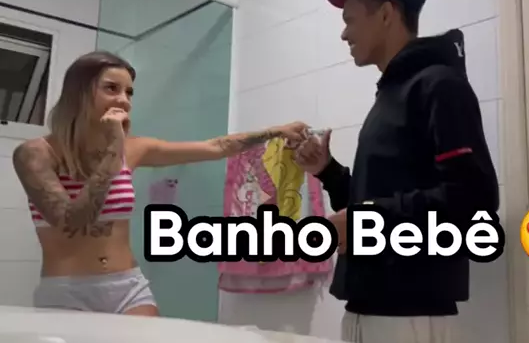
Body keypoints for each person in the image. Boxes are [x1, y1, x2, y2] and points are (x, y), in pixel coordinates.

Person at [293, 0, 499, 343]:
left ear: (387, 14)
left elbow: (475, 199)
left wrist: (368, 219)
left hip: (408, 317)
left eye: (350, 20)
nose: (344, 34)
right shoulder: (392, 94)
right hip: (367, 310)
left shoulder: (439, 85)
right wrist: (328, 171)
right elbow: (378, 202)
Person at [11, 51, 309, 316]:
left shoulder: (134, 148)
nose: (123, 100)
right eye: (111, 89)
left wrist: (276, 131)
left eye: (129, 92)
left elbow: (215, 146)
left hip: (128, 286)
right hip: (67, 292)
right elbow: (69, 221)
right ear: (78, 93)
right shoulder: (35, 154)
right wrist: (114, 148)